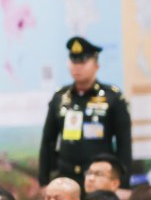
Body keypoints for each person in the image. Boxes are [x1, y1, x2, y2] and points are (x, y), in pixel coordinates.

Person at [39, 37, 131, 186]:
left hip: (100, 178)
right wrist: (44, 181)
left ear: (96, 65)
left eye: (83, 62)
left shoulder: (112, 97)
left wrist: (124, 183)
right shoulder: (60, 97)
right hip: (66, 176)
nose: (77, 67)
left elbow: (124, 144)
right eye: (74, 61)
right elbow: (48, 141)